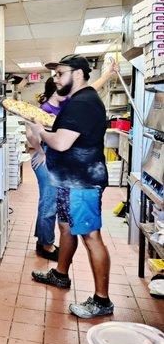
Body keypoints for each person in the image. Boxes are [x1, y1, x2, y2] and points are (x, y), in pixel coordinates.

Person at [27, 54, 114, 319]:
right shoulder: (77, 100)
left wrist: (40, 130)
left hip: (82, 183)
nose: (55, 79)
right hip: (68, 180)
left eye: (59, 73)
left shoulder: (83, 103)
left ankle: (102, 300)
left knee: (91, 237)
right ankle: (60, 274)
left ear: (77, 74)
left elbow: (62, 143)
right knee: (65, 228)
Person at [27, 78, 68, 261]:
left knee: (49, 200)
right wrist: (40, 151)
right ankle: (46, 246)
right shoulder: (44, 110)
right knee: (49, 202)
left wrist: (107, 75)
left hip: (55, 159)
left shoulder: (65, 103)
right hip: (44, 158)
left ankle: (43, 239)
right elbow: (30, 134)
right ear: (55, 90)